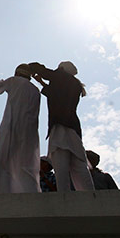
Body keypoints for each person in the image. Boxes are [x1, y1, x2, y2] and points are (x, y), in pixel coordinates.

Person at [31, 61, 94, 192]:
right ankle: (91, 198)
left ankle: (64, 200)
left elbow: (43, 70)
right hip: (73, 128)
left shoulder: (60, 75)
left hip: (60, 128)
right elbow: (56, 96)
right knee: (79, 167)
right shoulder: (75, 85)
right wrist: (42, 82)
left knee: (61, 169)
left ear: (62, 69)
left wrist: (28, 68)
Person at [0, 64, 41, 194]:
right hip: (30, 132)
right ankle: (31, 194)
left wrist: (3, 80)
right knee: (27, 165)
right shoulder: (36, 90)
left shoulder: (13, 81)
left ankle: (2, 194)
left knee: (4, 162)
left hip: (12, 127)